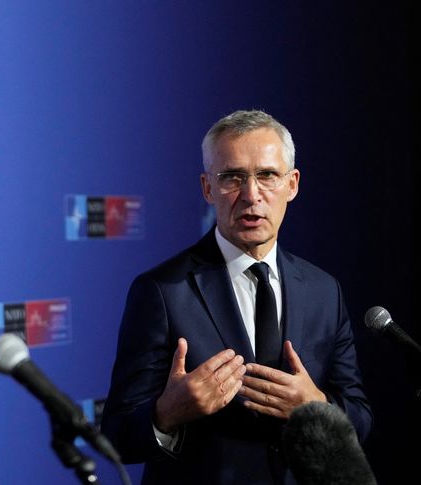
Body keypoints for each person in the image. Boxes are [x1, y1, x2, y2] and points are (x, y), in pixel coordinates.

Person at [101, 110, 372, 484]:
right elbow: (118, 434)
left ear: (292, 184)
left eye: (267, 175)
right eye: (232, 177)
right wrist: (167, 413)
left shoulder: (324, 289)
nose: (251, 195)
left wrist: (316, 407)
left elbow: (359, 417)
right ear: (207, 188)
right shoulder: (162, 291)